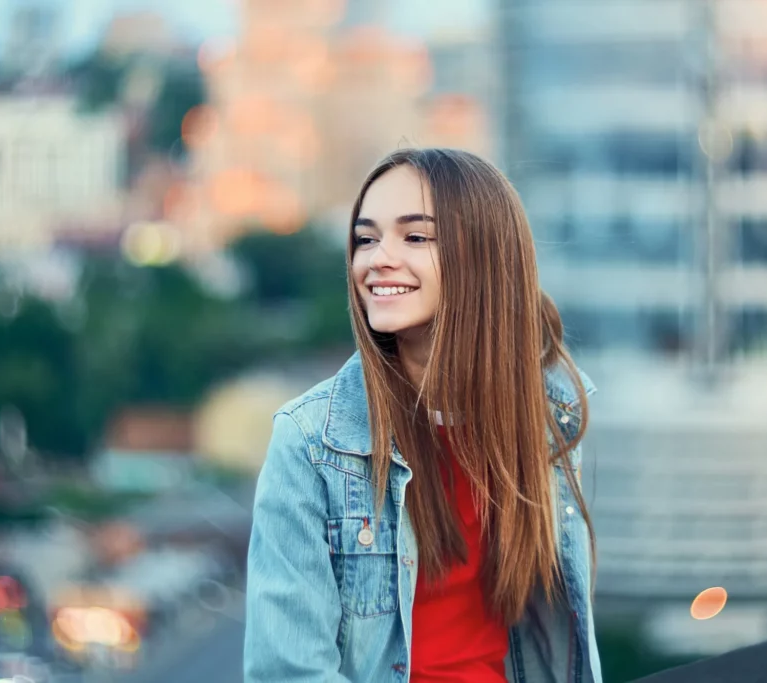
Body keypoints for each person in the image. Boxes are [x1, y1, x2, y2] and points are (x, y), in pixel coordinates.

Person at [244, 148, 600, 683]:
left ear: (483, 255)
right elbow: (287, 671)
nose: (378, 259)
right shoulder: (311, 442)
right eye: (366, 238)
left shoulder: (548, 417)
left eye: (414, 237)